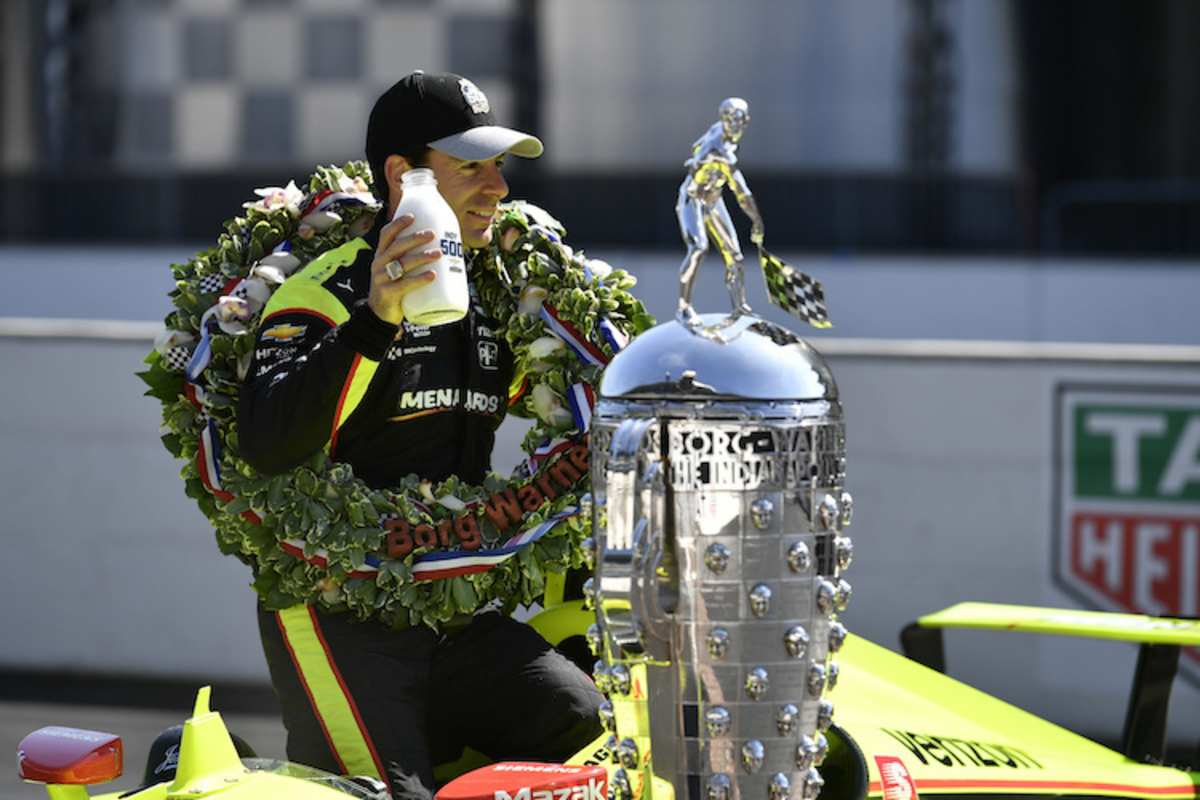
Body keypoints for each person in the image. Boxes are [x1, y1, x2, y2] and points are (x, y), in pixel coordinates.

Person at [237, 71, 603, 800]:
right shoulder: (325, 289)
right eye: (472, 167)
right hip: (338, 616)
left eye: (499, 166)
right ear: (403, 175)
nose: (499, 187)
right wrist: (377, 319)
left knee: (591, 732)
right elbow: (268, 441)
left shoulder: (501, 295)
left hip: (456, 613)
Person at [675, 97, 764, 327]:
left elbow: (697, 146)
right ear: (724, 120)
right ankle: (684, 307)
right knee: (698, 248)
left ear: (746, 121)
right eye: (729, 120)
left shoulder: (721, 135)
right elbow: (742, 193)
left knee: (735, 256)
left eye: (737, 120)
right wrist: (756, 221)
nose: (733, 125)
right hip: (693, 198)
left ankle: (740, 306)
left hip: (713, 200)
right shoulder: (721, 151)